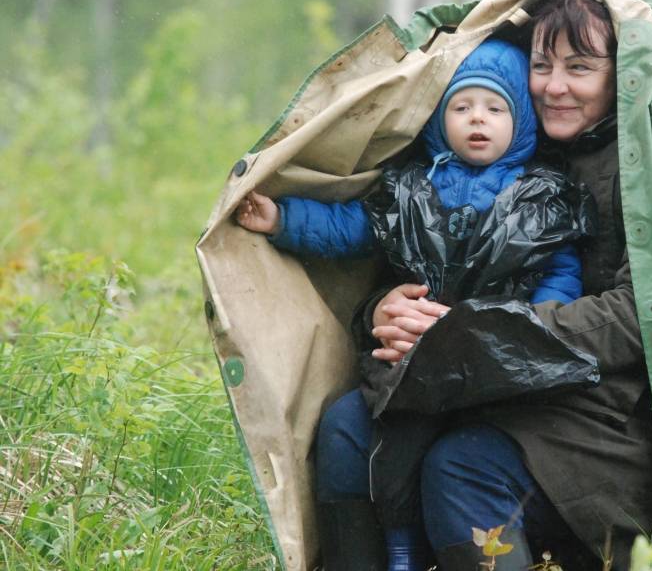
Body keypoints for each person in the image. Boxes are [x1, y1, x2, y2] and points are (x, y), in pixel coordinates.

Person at [234, 37, 593, 571]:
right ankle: (373, 556)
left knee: (450, 457)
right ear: (435, 118)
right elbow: (352, 229)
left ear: (521, 120)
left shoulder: (543, 198)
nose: (478, 120)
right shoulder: (410, 188)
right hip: (411, 365)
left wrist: (532, 333)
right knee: (346, 428)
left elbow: (560, 279)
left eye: (495, 108)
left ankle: (418, 552)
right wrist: (284, 221)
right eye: (462, 107)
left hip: (500, 372)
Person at [360, 0, 652, 570]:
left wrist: (483, 335)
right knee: (353, 433)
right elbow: (429, 262)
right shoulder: (507, 146)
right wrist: (384, 309)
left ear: (622, 71)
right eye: (542, 64)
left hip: (612, 418)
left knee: (462, 467)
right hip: (504, 386)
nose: (554, 86)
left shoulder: (648, 165)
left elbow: (645, 315)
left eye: (579, 67)